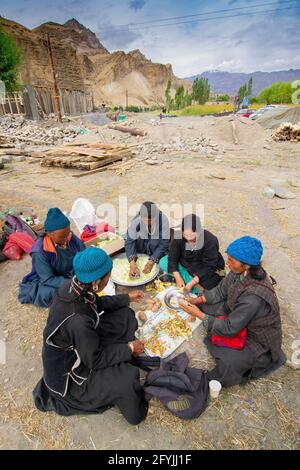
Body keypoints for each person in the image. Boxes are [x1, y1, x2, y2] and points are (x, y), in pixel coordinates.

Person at [33, 247, 148, 425]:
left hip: (84, 343)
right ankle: (123, 358)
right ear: (96, 282)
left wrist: (127, 298)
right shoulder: (78, 321)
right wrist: (129, 348)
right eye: (108, 276)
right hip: (74, 377)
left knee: (124, 315)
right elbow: (94, 360)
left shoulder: (73, 286)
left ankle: (121, 352)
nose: (109, 278)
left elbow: (97, 303)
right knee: (127, 378)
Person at [179, 236, 286, 387]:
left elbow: (230, 328)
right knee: (206, 307)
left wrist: (199, 314)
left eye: (231, 261)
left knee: (229, 363)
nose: (227, 264)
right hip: (238, 316)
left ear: (247, 265)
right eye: (228, 258)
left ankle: (257, 360)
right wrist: (198, 300)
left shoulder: (253, 297)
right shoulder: (238, 271)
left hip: (256, 337)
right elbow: (220, 291)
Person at [19, 208, 85, 308]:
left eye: (68, 233)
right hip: (49, 279)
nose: (66, 238)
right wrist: (73, 283)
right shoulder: (39, 251)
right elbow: (48, 279)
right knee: (53, 293)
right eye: (62, 236)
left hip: (70, 273)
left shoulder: (68, 236)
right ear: (49, 234)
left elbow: (83, 253)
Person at [159, 214, 224, 292]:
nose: (189, 241)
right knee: (163, 262)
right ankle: (185, 280)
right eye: (186, 237)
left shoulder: (210, 241)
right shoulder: (179, 236)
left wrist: (192, 282)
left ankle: (190, 283)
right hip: (185, 263)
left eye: (193, 239)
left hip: (201, 267)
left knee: (211, 285)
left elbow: (209, 266)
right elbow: (172, 257)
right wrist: (177, 277)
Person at [125, 201, 170, 279]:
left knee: (154, 241)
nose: (147, 222)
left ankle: (154, 257)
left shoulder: (163, 220)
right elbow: (129, 241)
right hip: (142, 246)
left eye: (150, 220)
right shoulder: (137, 220)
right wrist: (132, 263)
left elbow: (164, 243)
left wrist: (152, 261)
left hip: (154, 248)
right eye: (144, 220)